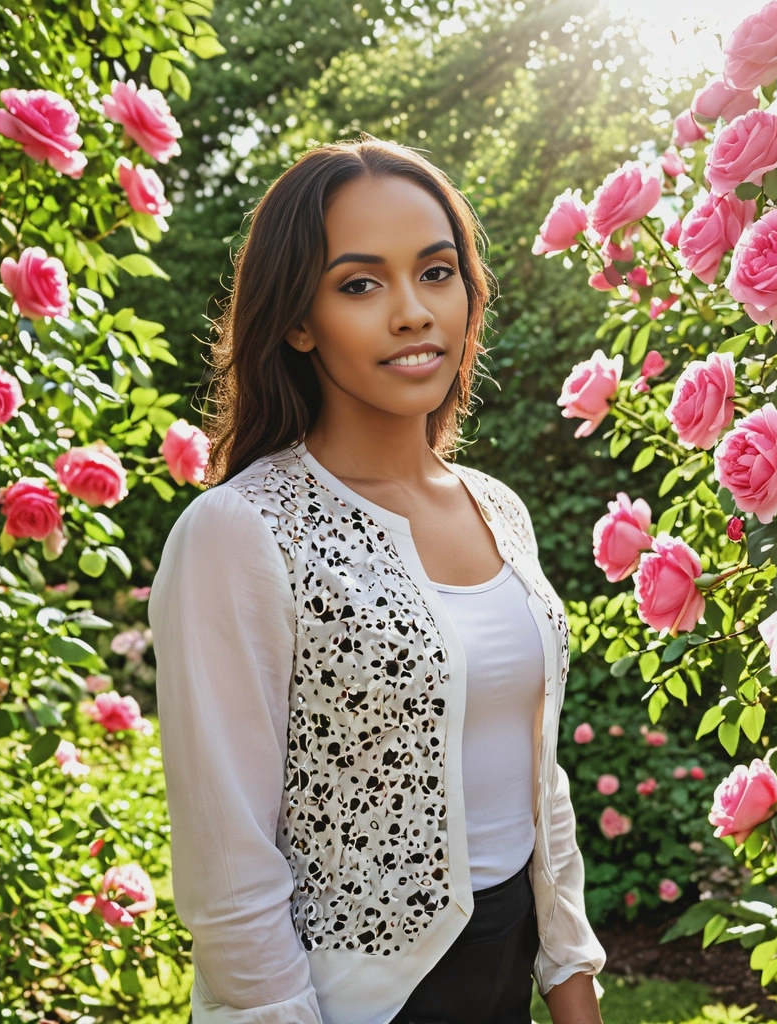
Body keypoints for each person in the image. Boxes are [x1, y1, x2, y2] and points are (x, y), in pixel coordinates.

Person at [148, 134, 606, 1024]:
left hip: (510, 976)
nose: (412, 313)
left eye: (436, 273)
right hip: (358, 1003)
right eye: (360, 284)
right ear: (297, 319)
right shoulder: (240, 534)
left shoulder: (497, 509)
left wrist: (573, 989)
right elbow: (229, 871)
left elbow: (536, 781)